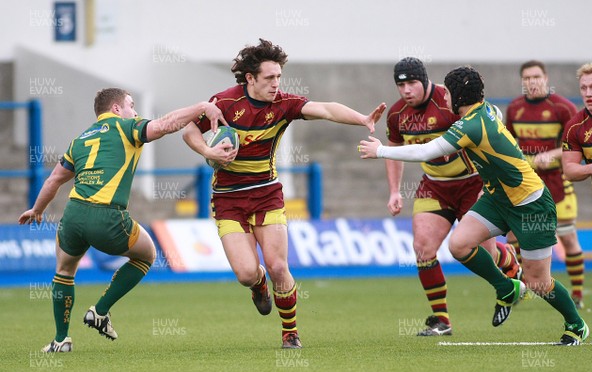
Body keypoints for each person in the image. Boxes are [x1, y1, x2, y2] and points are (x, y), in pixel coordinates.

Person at [359, 66, 589, 345]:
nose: (444, 99)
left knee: (538, 282)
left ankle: (576, 325)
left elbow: (426, 151)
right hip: (497, 198)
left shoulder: (470, 124)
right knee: (459, 245)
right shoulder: (487, 110)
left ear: (458, 97)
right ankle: (506, 287)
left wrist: (379, 150)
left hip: (530, 204)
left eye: (448, 94)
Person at [182, 39, 386, 349]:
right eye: (269, 78)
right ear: (250, 78)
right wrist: (208, 150)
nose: (276, 84)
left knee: (279, 265)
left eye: (279, 77)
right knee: (246, 273)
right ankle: (258, 284)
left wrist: (362, 119)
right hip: (228, 199)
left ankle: (290, 332)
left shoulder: (284, 104)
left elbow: (326, 109)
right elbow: (188, 131)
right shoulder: (223, 103)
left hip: (267, 194)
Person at [18, 88, 227, 352]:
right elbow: (164, 125)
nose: (135, 111)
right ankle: (100, 310)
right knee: (147, 255)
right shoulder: (127, 127)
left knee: (64, 272)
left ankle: (61, 340)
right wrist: (200, 107)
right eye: (131, 105)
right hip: (106, 216)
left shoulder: (80, 140)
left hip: (72, 215)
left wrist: (37, 210)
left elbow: (53, 180)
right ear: (116, 109)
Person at [383, 57, 521, 336]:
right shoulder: (397, 115)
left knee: (486, 253)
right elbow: (394, 149)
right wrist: (395, 190)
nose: (406, 90)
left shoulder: (449, 102)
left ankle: (508, 261)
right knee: (422, 247)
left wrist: (489, 180)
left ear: (424, 81)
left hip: (472, 183)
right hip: (434, 186)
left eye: (411, 83)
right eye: (401, 85)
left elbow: (489, 123)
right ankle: (441, 319)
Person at [506, 60, 585, 308]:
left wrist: (553, 154)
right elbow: (507, 143)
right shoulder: (515, 108)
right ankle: (525, 285)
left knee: (568, 238)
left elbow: (577, 144)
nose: (532, 82)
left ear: (546, 78)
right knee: (514, 237)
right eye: (527, 78)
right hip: (527, 186)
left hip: (558, 184)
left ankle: (578, 294)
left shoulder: (563, 107)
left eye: (536, 77)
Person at [562, 63, 592, 238]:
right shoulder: (575, 127)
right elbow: (569, 170)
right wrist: (590, 168)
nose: (588, 93)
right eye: (584, 88)